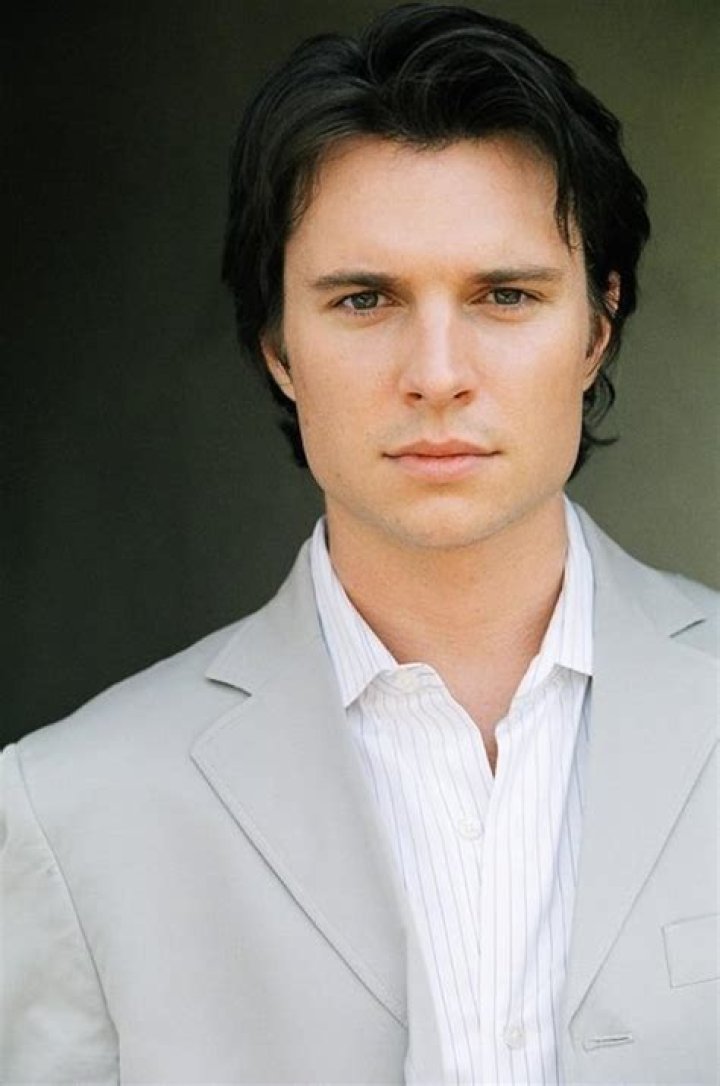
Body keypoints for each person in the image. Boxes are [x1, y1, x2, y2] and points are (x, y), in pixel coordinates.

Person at [1, 4, 717, 1084]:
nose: (437, 374)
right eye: (366, 298)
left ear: (597, 327)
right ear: (277, 343)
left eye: (505, 294)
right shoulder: (69, 808)